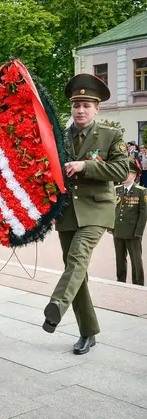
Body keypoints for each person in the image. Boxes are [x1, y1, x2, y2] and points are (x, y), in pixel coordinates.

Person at [42, 73, 130, 355]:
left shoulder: (111, 135)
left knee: (77, 257)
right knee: (75, 271)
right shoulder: (59, 138)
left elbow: (120, 170)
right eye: (76, 105)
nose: (80, 110)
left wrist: (84, 166)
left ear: (97, 109)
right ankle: (88, 332)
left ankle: (56, 304)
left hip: (97, 209)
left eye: (86, 106)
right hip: (67, 213)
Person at [111, 160, 146, 285]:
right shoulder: (116, 189)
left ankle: (138, 282)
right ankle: (120, 280)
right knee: (120, 258)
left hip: (133, 231)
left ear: (134, 176)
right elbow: (111, 208)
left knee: (136, 259)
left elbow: (143, 214)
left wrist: (139, 232)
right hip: (118, 229)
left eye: (129, 173)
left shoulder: (141, 191)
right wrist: (111, 226)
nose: (125, 176)